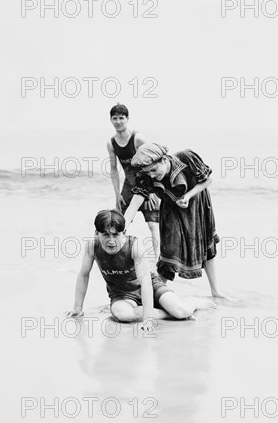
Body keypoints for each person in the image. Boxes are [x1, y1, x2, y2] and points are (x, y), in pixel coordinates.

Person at [123, 143, 230, 300]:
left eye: (154, 170)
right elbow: (134, 203)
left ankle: (216, 292)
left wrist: (187, 196)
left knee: (207, 246)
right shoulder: (145, 176)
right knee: (169, 252)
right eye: (148, 172)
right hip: (170, 208)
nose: (151, 175)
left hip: (197, 205)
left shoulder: (187, 157)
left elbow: (207, 180)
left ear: (165, 160)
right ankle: (155, 295)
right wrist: (122, 227)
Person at [66, 209, 211, 323]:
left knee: (182, 312)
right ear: (97, 233)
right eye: (105, 234)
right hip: (122, 295)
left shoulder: (134, 247)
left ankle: (189, 303)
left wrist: (148, 318)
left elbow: (146, 282)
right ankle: (167, 313)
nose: (111, 240)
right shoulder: (92, 246)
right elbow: (84, 275)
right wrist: (77, 308)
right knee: (123, 315)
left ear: (124, 233)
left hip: (150, 287)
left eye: (116, 235)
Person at [107, 104, 160, 259]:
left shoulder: (137, 139)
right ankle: (117, 256)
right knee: (119, 223)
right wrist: (117, 194)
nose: (118, 121)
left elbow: (153, 162)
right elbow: (113, 169)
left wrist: (152, 190)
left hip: (146, 185)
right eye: (115, 118)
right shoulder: (111, 143)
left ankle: (158, 260)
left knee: (153, 225)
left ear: (127, 119)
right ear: (111, 120)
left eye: (121, 118)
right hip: (129, 187)